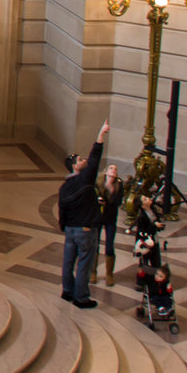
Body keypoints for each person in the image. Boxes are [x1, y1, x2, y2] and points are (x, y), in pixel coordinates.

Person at [58, 119, 110, 308]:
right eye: (80, 160)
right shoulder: (85, 179)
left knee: (68, 261)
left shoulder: (64, 187)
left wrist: (63, 226)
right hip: (85, 228)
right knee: (84, 264)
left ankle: (67, 290)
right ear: (75, 166)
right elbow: (95, 157)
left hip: (70, 229)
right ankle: (81, 297)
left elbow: (61, 209)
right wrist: (101, 135)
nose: (84, 161)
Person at [97, 162, 124, 286]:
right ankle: (92, 271)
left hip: (111, 218)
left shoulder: (119, 185)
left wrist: (108, 200)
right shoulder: (98, 183)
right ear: (106, 172)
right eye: (111, 168)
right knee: (94, 243)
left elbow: (118, 202)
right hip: (98, 218)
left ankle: (109, 274)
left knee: (109, 245)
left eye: (115, 169)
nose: (114, 170)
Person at [132, 191, 164, 273]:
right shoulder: (141, 217)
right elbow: (144, 230)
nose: (148, 199)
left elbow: (156, 219)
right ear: (142, 205)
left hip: (154, 240)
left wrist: (158, 224)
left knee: (156, 261)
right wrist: (154, 225)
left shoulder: (153, 209)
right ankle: (142, 280)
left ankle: (156, 277)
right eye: (145, 199)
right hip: (146, 242)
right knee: (144, 262)